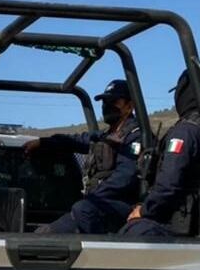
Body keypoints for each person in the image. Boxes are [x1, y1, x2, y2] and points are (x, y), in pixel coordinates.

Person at [123, 69, 200, 238]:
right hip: (199, 221)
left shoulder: (186, 131)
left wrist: (143, 210)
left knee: (125, 231)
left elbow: (168, 184)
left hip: (176, 222)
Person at [28, 79, 142, 234]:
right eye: (105, 102)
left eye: (114, 101)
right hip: (97, 205)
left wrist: (95, 196)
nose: (107, 106)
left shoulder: (135, 136)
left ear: (130, 106)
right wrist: (43, 142)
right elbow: (75, 141)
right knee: (45, 234)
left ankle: (100, 248)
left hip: (119, 206)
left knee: (82, 209)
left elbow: (125, 177)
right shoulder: (106, 136)